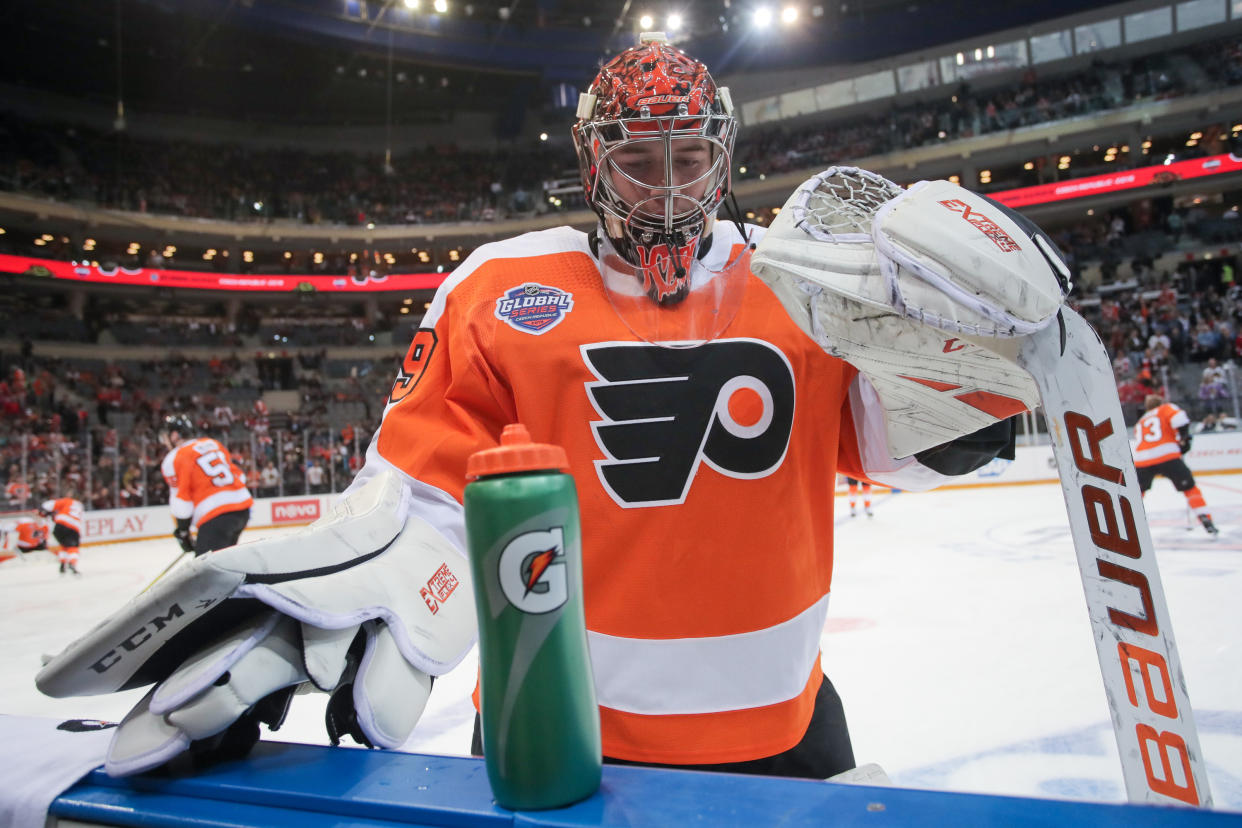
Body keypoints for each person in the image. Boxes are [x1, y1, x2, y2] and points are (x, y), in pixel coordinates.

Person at [38, 35, 1045, 782]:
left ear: (723, 154)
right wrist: (326, 616)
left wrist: (967, 389)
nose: (665, 185)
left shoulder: (805, 279)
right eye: (636, 158)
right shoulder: (497, 287)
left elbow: (879, 440)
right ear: (589, 158)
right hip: (548, 727)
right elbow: (416, 496)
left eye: (688, 155)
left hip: (783, 727)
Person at [158, 413, 253, 555]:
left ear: (175, 435)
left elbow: (181, 501)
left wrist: (183, 531)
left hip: (215, 516)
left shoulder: (172, 458)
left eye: (166, 437)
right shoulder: (212, 443)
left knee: (205, 568)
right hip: (243, 508)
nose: (164, 442)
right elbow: (240, 476)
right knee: (224, 559)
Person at [1134, 393, 1218, 536]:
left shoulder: (1141, 420)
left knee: (1137, 493)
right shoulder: (1166, 408)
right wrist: (1185, 439)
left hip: (1142, 459)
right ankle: (1204, 517)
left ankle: (1131, 521)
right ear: (1161, 402)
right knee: (1190, 488)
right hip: (1167, 455)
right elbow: (1180, 419)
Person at [39, 494, 84, 574]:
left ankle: (63, 563)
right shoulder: (80, 506)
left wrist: (43, 512)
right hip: (73, 527)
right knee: (73, 547)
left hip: (59, 525)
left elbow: (48, 505)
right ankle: (72, 563)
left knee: (64, 545)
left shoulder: (66, 501)